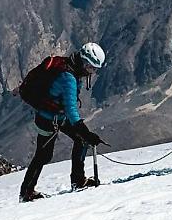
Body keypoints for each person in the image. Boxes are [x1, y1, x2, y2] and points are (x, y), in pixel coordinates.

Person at [19, 42, 107, 202]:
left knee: (80, 140)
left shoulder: (70, 67)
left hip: (54, 116)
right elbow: (71, 110)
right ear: (85, 63)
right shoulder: (69, 78)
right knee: (43, 155)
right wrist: (86, 132)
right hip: (48, 118)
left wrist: (84, 134)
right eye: (92, 68)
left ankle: (78, 181)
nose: (93, 72)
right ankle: (27, 192)